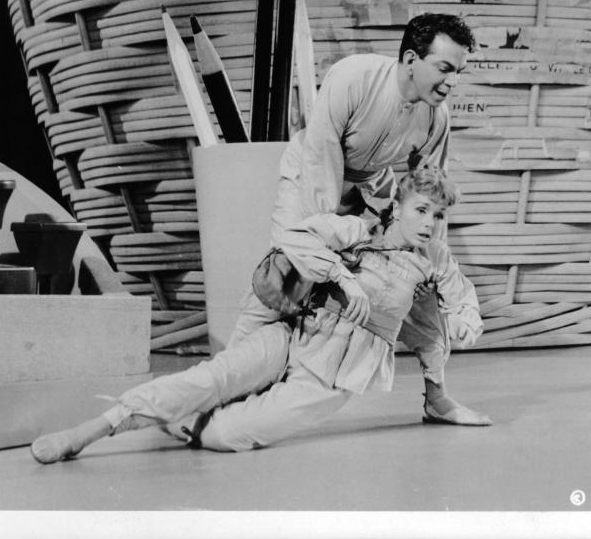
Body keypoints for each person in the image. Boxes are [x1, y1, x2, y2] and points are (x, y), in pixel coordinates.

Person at [30, 166, 486, 460]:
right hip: (295, 333)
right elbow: (292, 235)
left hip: (333, 376)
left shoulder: (435, 260)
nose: (429, 223)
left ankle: (182, 418)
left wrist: (464, 327)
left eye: (439, 215)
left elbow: (459, 305)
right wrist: (343, 277)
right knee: (213, 379)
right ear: (397, 209)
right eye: (422, 210)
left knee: (226, 436)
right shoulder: (356, 231)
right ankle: (94, 429)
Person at [230, 12, 490, 426]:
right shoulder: (353, 78)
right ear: (410, 58)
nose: (452, 81)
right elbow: (321, 155)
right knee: (288, 268)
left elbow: (427, 191)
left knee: (417, 272)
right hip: (311, 176)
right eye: (444, 68)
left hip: (372, 188)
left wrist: (427, 259)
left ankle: (437, 398)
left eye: (458, 72)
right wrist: (330, 242)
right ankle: (228, 384)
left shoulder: (437, 119)